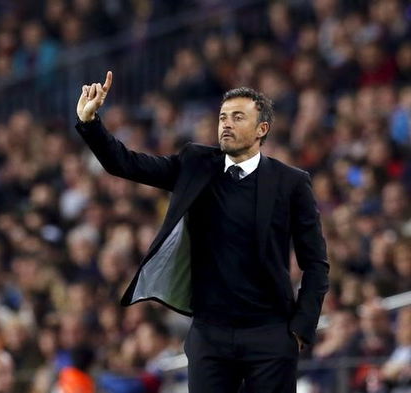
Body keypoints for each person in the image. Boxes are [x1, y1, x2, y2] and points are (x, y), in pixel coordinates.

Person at [75, 71, 330, 393]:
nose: (226, 123)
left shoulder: (290, 182)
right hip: (210, 333)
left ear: (262, 129)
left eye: (238, 117)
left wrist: (301, 327)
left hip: (270, 332)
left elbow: (316, 262)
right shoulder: (195, 163)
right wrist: (91, 124)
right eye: (223, 117)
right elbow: (126, 164)